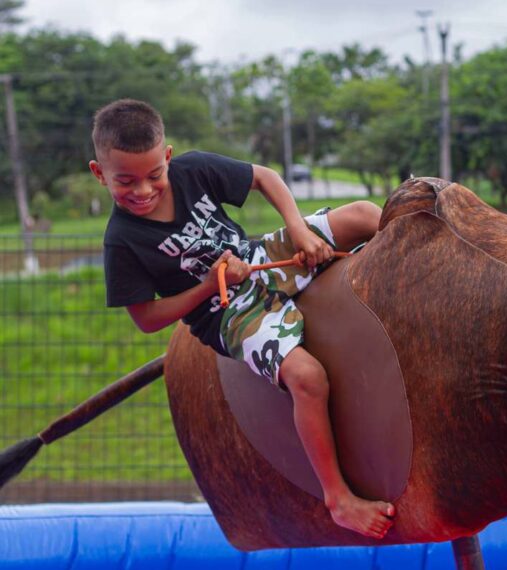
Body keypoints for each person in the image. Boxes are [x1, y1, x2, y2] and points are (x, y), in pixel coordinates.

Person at [89, 99, 395, 539]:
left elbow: (264, 177)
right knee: (307, 378)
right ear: (100, 174)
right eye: (125, 181)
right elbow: (147, 317)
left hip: (259, 258)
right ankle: (338, 498)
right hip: (227, 313)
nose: (143, 190)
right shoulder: (122, 241)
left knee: (365, 214)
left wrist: (301, 230)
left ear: (168, 157)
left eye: (154, 175)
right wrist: (212, 284)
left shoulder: (194, 170)